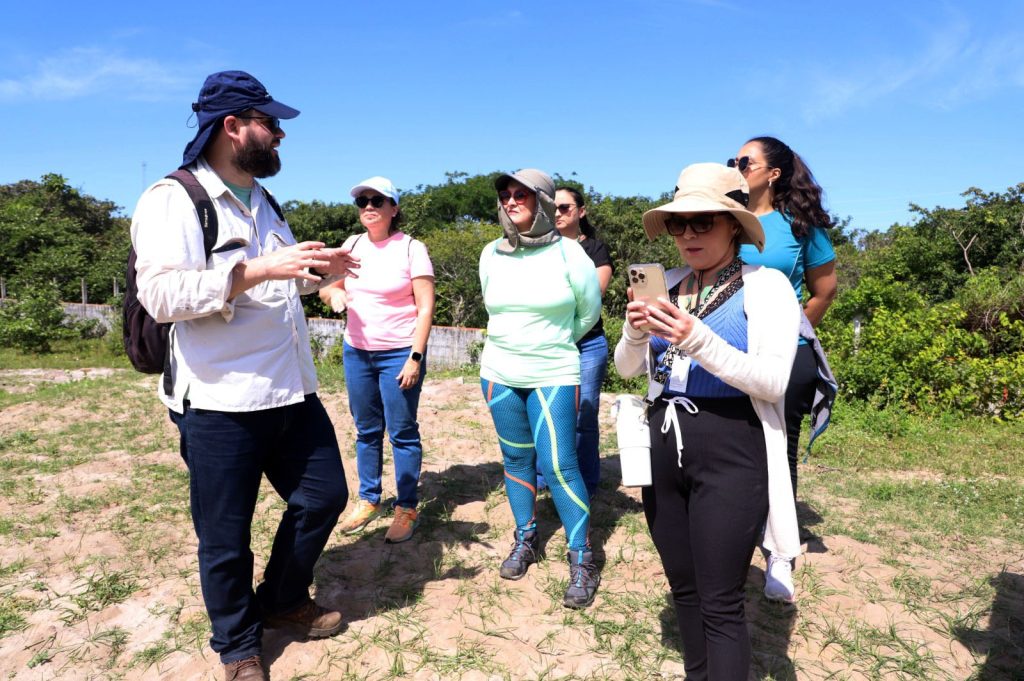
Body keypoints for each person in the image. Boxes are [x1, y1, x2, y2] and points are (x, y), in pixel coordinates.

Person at [130, 71, 358, 681]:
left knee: (323, 498)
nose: (281, 134)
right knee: (225, 537)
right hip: (218, 399)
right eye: (270, 123)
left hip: (289, 388)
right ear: (232, 127)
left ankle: (281, 600)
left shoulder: (262, 199)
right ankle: (237, 647)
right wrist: (257, 270)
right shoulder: (173, 199)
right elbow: (160, 294)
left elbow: (275, 278)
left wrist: (316, 272)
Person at [614, 163, 801, 680]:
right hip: (663, 444)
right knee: (685, 588)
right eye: (679, 224)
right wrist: (634, 333)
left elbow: (772, 382)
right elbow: (628, 369)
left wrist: (696, 339)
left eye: (705, 222)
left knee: (721, 600)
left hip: (730, 445)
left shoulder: (768, 288)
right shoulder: (667, 285)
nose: (689, 234)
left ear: (734, 225)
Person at [478, 169, 603, 608]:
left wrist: (551, 343)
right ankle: (526, 538)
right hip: (498, 371)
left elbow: (587, 313)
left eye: (522, 195)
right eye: (506, 195)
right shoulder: (491, 253)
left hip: (553, 369)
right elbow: (492, 306)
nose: (511, 202)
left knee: (559, 465)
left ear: (544, 203)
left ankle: (582, 557)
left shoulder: (572, 254)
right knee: (515, 458)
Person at [730, 136, 838, 599]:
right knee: (730, 446)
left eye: (744, 161)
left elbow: (824, 290)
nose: (735, 167)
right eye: (731, 160)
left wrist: (788, 335)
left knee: (779, 450)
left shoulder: (799, 227)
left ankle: (780, 556)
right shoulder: (726, 217)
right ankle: (732, 539)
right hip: (726, 353)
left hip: (785, 357)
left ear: (772, 173)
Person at [321, 176, 435, 544]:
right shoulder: (351, 244)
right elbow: (329, 284)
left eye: (377, 200)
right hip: (357, 351)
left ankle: (406, 507)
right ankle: (369, 500)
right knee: (366, 429)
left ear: (394, 209)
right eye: (362, 201)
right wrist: (333, 297)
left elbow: (425, 307)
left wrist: (414, 358)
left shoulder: (411, 248)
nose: (368, 206)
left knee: (401, 431)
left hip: (399, 352)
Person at [538, 186, 614, 498]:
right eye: (552, 208)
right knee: (546, 412)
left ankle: (586, 481)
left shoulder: (595, 249)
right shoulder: (540, 249)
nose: (557, 213)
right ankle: (544, 478)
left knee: (584, 415)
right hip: (548, 343)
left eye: (565, 207)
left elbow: (592, 298)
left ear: (581, 211)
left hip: (588, 343)